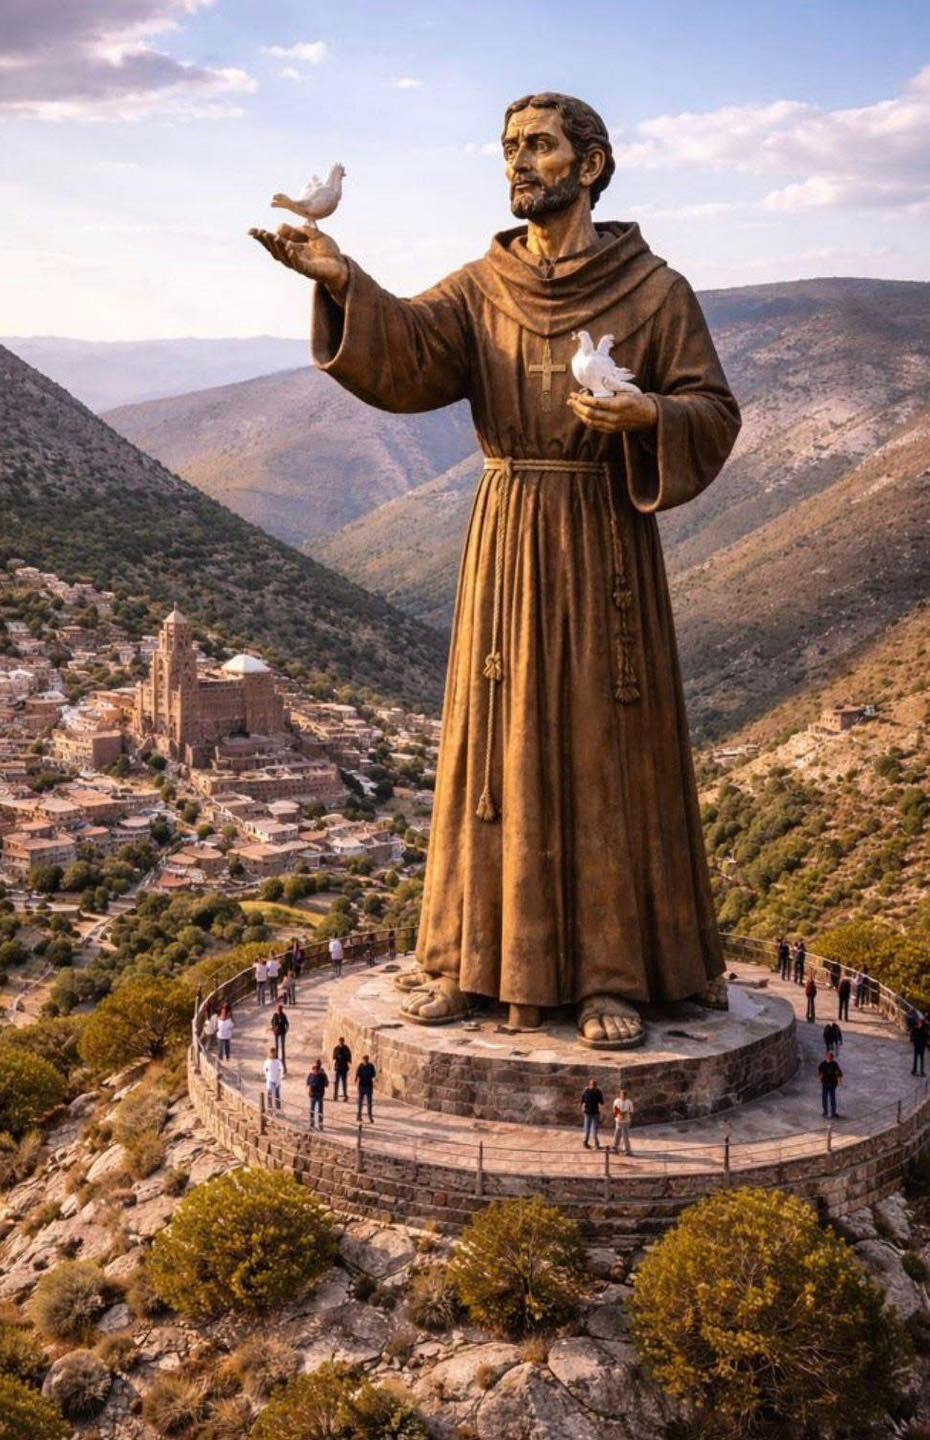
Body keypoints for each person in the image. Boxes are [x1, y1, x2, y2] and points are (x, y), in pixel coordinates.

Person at [252, 91, 741, 1044]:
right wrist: (344, 281)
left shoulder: (656, 293)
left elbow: (713, 411)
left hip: (604, 543)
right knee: (490, 750)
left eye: (540, 147)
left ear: (590, 166)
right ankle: (468, 961)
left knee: (603, 750)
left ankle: (612, 977)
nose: (519, 163)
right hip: (509, 535)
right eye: (509, 148)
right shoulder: (485, 285)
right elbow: (412, 352)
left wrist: (649, 418)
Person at [581, 1078, 604, 1149]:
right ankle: (586, 1143)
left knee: (594, 1129)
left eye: (594, 1085)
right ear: (589, 1085)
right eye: (592, 1085)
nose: (593, 1086)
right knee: (587, 1129)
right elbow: (582, 1101)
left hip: (595, 1113)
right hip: (588, 1113)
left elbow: (602, 1102)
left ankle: (596, 1144)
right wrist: (583, 1107)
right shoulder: (586, 1091)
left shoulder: (598, 1092)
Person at [818, 1050, 842, 1119]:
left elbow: (838, 1071)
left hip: (832, 1084)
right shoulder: (823, 1064)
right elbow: (820, 1071)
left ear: (832, 1058)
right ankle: (825, 1112)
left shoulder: (834, 1064)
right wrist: (820, 1077)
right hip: (825, 1083)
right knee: (825, 1098)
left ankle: (833, 1113)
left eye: (830, 1057)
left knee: (832, 1098)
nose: (829, 1058)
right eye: (828, 1056)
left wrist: (839, 1078)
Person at [307, 1059, 328, 1130]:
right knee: (312, 1110)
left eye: (318, 1064)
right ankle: (312, 1123)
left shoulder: (323, 1075)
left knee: (320, 1110)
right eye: (317, 1064)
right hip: (313, 1095)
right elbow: (308, 1083)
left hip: (319, 1095)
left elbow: (326, 1084)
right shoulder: (312, 1074)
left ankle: (320, 1124)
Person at [611, 1088, 633, 1155]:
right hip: (619, 1121)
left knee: (625, 1136)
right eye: (622, 1095)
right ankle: (615, 1147)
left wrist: (626, 1115)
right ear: (620, 1095)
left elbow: (631, 1111)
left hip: (626, 1121)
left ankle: (628, 1150)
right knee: (617, 1134)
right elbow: (614, 1110)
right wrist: (618, 1115)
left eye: (625, 1095)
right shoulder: (617, 1101)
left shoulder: (629, 1102)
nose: (623, 1096)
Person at [356, 1053, 377, 1122]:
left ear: (368, 1060)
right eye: (364, 1060)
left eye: (366, 1060)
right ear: (363, 1060)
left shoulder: (371, 1066)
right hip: (361, 1086)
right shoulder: (360, 1066)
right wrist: (356, 1081)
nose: (365, 1061)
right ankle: (359, 1116)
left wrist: (370, 1077)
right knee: (360, 1102)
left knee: (369, 1102)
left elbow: (374, 1074)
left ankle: (370, 1116)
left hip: (368, 1086)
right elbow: (357, 1074)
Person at [270, 1002, 289, 1071]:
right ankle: (276, 1056)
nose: (279, 1011)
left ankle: (283, 1057)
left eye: (280, 1009)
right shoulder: (275, 1015)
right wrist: (273, 1027)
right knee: (277, 1045)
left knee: (282, 1046)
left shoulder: (283, 1015)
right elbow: (272, 1021)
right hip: (276, 1032)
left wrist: (286, 1030)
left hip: (282, 1032)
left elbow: (287, 1024)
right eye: (278, 1009)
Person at [332, 1036, 352, 1101]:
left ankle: (345, 1096)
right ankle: (335, 1095)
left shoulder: (346, 1048)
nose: (341, 1042)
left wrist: (343, 1057)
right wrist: (338, 1056)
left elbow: (349, 1057)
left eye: (342, 1041)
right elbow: (334, 1057)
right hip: (338, 1067)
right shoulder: (336, 1048)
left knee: (344, 1082)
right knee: (336, 1082)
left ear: (343, 1042)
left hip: (344, 1067)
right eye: (340, 1041)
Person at [264, 1049, 283, 1113]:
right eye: (272, 1053)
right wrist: (267, 1076)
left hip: (277, 1080)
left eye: (274, 1053)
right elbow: (265, 1069)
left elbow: (281, 1070)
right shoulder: (267, 1061)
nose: (273, 1054)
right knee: (269, 1093)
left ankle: (278, 1109)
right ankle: (269, 1108)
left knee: (277, 1094)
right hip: (270, 1079)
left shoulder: (278, 1062)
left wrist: (279, 1077)